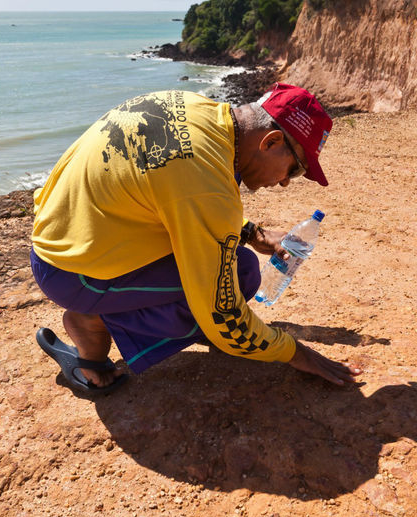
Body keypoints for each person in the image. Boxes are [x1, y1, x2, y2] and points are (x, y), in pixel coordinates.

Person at [30, 83, 361, 394]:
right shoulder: (205, 178)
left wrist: (251, 232)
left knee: (242, 267)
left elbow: (174, 192)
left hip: (70, 236)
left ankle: (114, 313)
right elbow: (226, 317)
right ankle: (94, 321)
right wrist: (296, 353)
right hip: (72, 272)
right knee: (223, 297)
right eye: (294, 169)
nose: (287, 182)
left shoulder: (199, 112)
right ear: (271, 141)